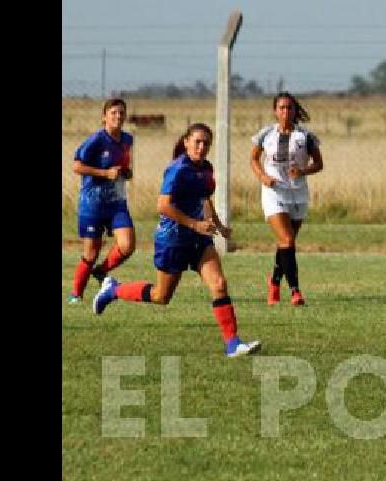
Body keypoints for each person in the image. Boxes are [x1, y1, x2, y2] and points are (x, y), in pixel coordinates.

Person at [92, 123, 262, 358]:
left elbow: (204, 198)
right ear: (186, 142)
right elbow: (163, 205)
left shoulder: (206, 169)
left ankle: (232, 344)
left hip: (198, 240)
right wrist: (194, 224)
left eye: (206, 143)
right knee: (161, 297)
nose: (201, 147)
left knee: (219, 284)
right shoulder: (178, 169)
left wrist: (219, 226)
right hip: (172, 240)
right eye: (197, 142)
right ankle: (113, 290)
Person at [250, 92, 324, 306]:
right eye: (281, 108)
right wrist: (263, 177)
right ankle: (295, 292)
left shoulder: (306, 137)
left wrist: (302, 171)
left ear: (295, 110)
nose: (285, 112)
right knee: (288, 240)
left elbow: (319, 164)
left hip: (298, 193)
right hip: (274, 193)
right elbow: (254, 159)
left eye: (289, 108)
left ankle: (274, 281)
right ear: (275, 111)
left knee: (286, 245)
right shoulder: (266, 134)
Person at [68, 98, 136, 304]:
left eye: (121, 112)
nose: (117, 116)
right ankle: (76, 294)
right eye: (113, 112)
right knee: (91, 253)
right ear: (104, 116)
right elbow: (77, 166)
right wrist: (105, 173)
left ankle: (101, 272)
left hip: (116, 203)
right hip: (92, 205)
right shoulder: (96, 139)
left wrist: (126, 172)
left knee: (127, 245)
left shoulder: (127, 139)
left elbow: (124, 166)